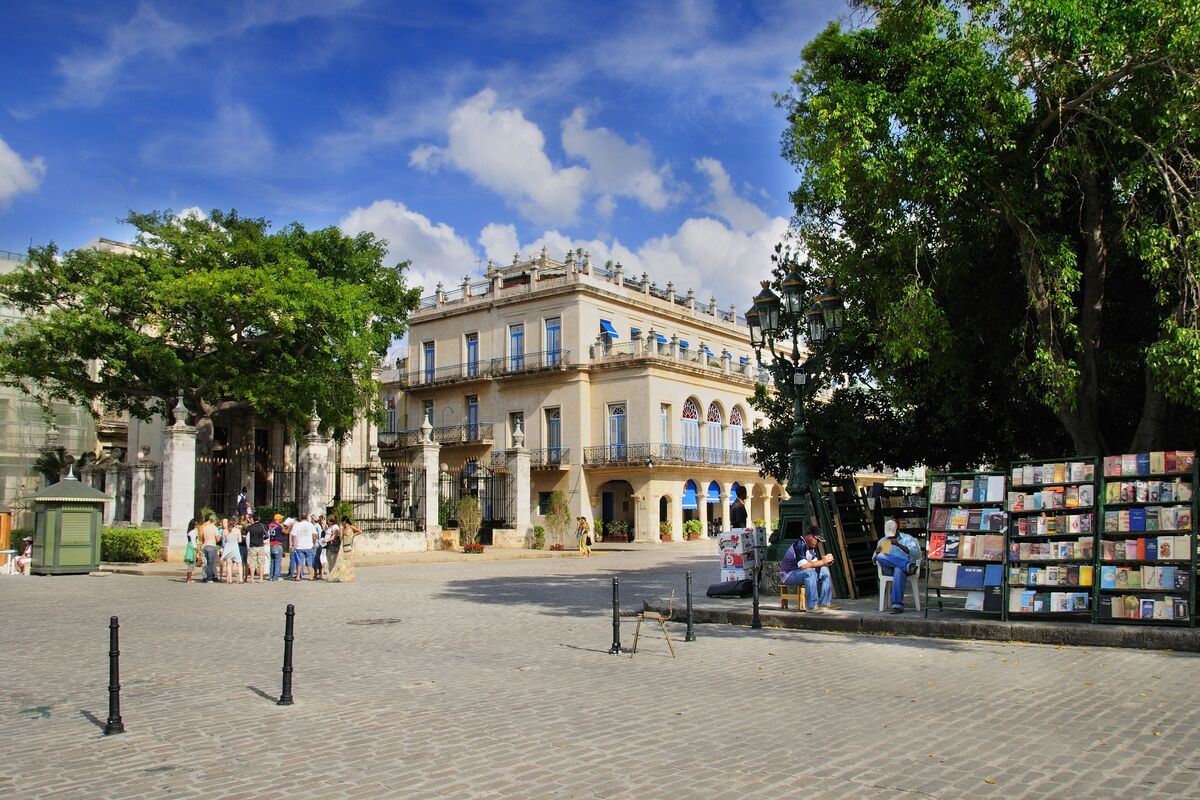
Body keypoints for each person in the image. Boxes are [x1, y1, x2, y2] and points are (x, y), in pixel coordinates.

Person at [873, 518, 920, 614]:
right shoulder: (884, 541)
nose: (890, 537)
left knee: (898, 569)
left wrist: (899, 545)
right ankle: (907, 566)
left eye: (892, 535)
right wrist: (877, 553)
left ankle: (897, 606)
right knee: (880, 556)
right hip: (890, 569)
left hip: (902, 571)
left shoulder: (907, 538)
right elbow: (874, 559)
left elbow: (916, 554)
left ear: (897, 530)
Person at [779, 530, 835, 611]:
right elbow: (803, 566)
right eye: (817, 540)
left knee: (824, 570)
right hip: (788, 575)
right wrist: (822, 562)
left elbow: (815, 564)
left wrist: (825, 563)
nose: (818, 543)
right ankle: (812, 605)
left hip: (800, 572)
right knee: (809, 572)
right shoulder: (799, 545)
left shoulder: (811, 548)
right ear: (810, 536)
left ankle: (825, 603)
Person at [325, 517, 362, 583]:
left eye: (342, 521)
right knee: (341, 561)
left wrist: (353, 535)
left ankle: (348, 577)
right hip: (343, 545)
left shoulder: (351, 527)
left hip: (350, 546)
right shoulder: (343, 528)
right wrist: (341, 529)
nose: (342, 523)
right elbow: (341, 538)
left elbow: (360, 531)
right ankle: (342, 576)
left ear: (345, 521)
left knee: (349, 562)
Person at [289, 514, 318, 581]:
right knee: (309, 562)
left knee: (299, 562)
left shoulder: (297, 525)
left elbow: (294, 536)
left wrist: (294, 545)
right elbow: (315, 534)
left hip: (299, 546)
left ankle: (298, 576)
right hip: (309, 545)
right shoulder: (310, 525)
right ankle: (311, 576)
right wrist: (314, 542)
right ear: (307, 518)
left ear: (300, 517)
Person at [245, 512, 269, 584]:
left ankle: (252, 578)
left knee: (252, 564)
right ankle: (261, 578)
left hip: (252, 547)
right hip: (260, 546)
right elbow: (267, 535)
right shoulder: (262, 526)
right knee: (261, 563)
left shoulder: (250, 527)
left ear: (253, 519)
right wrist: (263, 539)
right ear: (259, 518)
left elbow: (246, 535)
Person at [219, 517, 243, 584]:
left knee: (228, 564)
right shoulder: (237, 530)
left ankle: (229, 579)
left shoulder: (224, 531)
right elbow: (240, 540)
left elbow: (224, 540)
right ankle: (240, 578)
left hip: (227, 548)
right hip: (235, 548)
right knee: (239, 563)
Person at [198, 515, 220, 583]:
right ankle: (210, 578)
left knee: (206, 563)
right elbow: (217, 539)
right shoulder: (215, 528)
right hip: (212, 545)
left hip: (205, 546)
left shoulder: (205, 528)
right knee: (211, 563)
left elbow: (202, 537)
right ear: (215, 521)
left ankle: (205, 576)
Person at [267, 514, 286, 581]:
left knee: (272, 560)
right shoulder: (279, 526)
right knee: (278, 560)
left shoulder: (270, 525)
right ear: (278, 519)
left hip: (271, 543)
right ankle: (276, 576)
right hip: (277, 544)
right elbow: (285, 532)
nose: (281, 519)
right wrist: (290, 526)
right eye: (281, 518)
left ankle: (271, 576)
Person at [184, 516, 200, 584]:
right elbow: (194, 541)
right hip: (192, 547)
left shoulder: (189, 531)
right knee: (192, 563)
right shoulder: (193, 532)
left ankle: (189, 578)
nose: (197, 525)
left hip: (189, 546)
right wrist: (196, 548)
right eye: (196, 524)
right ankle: (189, 579)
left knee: (191, 563)